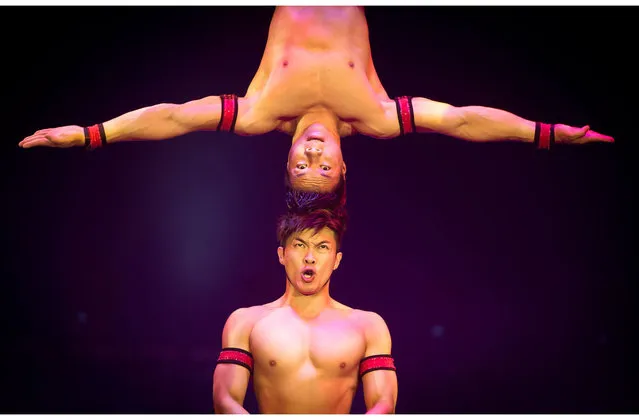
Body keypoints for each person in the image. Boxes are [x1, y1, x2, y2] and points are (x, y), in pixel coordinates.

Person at [19, 6, 614, 203]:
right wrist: (546, 134)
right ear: (343, 164)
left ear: (287, 161)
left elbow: (173, 116)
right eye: (323, 168)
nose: (311, 158)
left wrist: (90, 134)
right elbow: (461, 120)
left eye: (302, 167)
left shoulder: (254, 113)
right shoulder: (379, 116)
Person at [212, 207, 397, 414]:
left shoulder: (368, 326)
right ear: (282, 255)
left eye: (322, 247)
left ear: (336, 260)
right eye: (300, 245)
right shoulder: (246, 322)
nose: (310, 257)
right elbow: (225, 399)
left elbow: (383, 404)